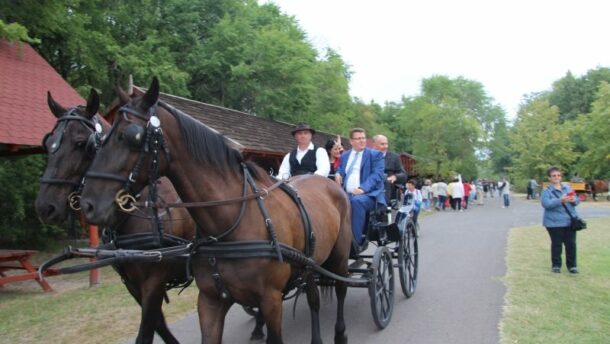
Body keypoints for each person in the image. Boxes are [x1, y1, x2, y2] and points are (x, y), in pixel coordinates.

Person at [336, 128, 385, 245]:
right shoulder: (345, 156)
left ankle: (354, 242)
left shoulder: (375, 155)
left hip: (369, 196)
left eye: (363, 138)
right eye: (358, 139)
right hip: (346, 193)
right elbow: (341, 169)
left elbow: (377, 175)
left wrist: (362, 188)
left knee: (356, 201)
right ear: (351, 141)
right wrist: (338, 173)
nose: (362, 141)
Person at [541, 166, 580, 273]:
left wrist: (573, 200)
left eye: (558, 175)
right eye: (554, 176)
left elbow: (577, 200)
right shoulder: (547, 191)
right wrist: (560, 200)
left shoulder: (568, 188)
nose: (556, 177)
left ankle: (572, 266)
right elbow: (546, 204)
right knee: (557, 245)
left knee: (571, 244)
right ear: (549, 178)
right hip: (554, 223)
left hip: (569, 221)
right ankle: (556, 265)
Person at [372, 134, 407, 205]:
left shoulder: (395, 157)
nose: (385, 146)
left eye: (386, 144)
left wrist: (395, 177)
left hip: (388, 189)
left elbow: (404, 175)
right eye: (382, 144)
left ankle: (382, 206)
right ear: (374, 145)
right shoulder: (367, 156)